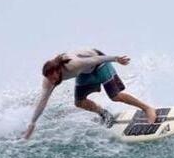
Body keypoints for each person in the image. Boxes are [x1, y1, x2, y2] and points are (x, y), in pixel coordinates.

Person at [23, 48, 157, 140]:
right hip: (85, 72)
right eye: (50, 79)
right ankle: (105, 114)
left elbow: (96, 59)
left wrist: (116, 59)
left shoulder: (74, 64)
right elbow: (43, 101)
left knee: (115, 96)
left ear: (59, 70)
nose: (53, 81)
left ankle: (147, 108)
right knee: (79, 102)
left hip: (99, 64)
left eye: (54, 77)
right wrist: (32, 123)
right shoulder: (48, 81)